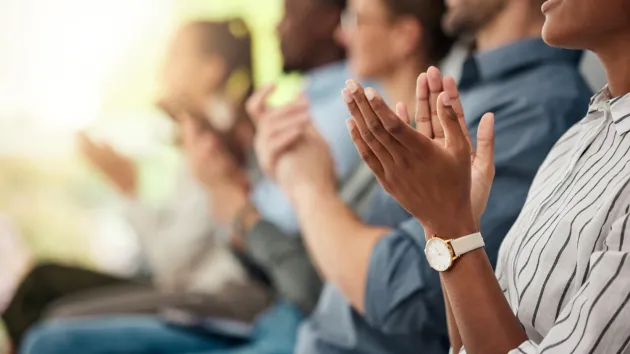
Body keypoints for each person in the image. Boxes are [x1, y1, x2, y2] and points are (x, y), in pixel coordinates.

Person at [252, 0, 593, 353]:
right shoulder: (471, 91)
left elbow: (402, 295)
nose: (343, 32)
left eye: (356, 19)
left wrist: (307, 188)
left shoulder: (539, 108)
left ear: (405, 36)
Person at [342, 0, 630, 352]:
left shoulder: (548, 108)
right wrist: (447, 223)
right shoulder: (579, 139)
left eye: (356, 19)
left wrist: (452, 224)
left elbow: (399, 299)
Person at [5, 19, 271, 350]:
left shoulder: (219, 144)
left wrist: (127, 188)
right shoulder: (202, 136)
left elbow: (170, 263)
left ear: (211, 69)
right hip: (186, 287)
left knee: (50, 317)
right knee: (41, 287)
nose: (164, 68)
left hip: (214, 298)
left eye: (176, 57)